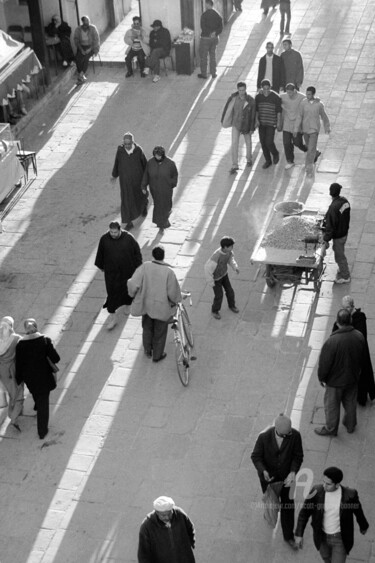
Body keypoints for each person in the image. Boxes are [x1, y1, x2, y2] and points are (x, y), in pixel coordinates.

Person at [251, 414, 304, 551]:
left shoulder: (295, 436)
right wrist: (263, 471)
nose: (289, 434)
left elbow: (298, 456)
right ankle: (269, 515)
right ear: (277, 430)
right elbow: (255, 456)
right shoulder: (263, 437)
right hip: (270, 481)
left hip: (287, 480)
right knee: (271, 503)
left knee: (288, 507)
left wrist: (293, 472)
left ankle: (288, 536)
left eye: (290, 432)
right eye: (286, 434)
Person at [295, 466, 369, 561]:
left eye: (328, 484)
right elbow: (304, 513)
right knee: (326, 558)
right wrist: (299, 534)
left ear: (337, 485)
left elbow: (358, 512)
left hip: (340, 539)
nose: (324, 486)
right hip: (322, 537)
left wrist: (363, 526)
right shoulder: (316, 491)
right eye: (323, 482)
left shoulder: (350, 495)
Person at [315, 309, 365, 437]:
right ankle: (350, 425)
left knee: (332, 406)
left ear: (337, 322)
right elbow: (362, 357)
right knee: (350, 402)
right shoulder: (359, 336)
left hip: (335, 382)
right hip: (352, 378)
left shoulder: (332, 342)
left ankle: (331, 429)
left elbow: (325, 363)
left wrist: (322, 377)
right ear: (351, 320)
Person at [128, 246, 182, 362]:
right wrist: (176, 301)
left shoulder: (145, 267)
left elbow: (132, 283)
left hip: (146, 304)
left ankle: (148, 350)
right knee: (160, 331)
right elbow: (173, 292)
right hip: (161, 307)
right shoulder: (169, 272)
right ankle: (157, 355)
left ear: (153, 255)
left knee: (147, 328)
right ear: (163, 256)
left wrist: (132, 294)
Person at [15, 319, 60, 440]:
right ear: (36, 327)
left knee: (35, 392)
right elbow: (55, 358)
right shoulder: (45, 340)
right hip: (44, 377)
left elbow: (18, 364)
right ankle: (42, 431)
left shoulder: (20, 345)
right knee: (44, 402)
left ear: (25, 330)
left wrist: (18, 379)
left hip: (30, 378)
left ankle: (36, 406)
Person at [95, 221, 142, 330]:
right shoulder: (104, 239)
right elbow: (100, 254)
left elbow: (137, 253)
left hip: (127, 271)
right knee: (112, 293)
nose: (113, 234)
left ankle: (128, 305)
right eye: (111, 232)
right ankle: (113, 317)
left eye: (115, 232)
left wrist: (138, 268)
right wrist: (102, 267)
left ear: (120, 230)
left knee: (127, 290)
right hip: (111, 274)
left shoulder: (129, 238)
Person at [332, 296, 375, 405]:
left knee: (362, 376)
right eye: (343, 307)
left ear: (352, 307)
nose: (345, 310)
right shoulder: (341, 318)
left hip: (359, 353)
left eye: (347, 307)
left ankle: (362, 398)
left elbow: (361, 335)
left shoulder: (360, 317)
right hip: (347, 355)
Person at [138, 496, 196, 562]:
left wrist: (190, 544)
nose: (167, 517)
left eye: (169, 514)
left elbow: (190, 528)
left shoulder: (180, 514)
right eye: (163, 515)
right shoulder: (147, 526)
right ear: (157, 513)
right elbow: (143, 553)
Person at [110, 132, 148, 230]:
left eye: (129, 144)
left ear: (133, 142)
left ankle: (144, 205)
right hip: (125, 182)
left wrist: (147, 178)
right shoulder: (120, 151)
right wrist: (114, 175)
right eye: (125, 144)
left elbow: (145, 164)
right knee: (126, 201)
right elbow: (117, 163)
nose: (127, 146)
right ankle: (128, 222)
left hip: (137, 180)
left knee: (140, 196)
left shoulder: (138, 151)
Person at [294, 86, 330, 177]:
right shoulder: (303, 103)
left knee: (310, 150)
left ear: (313, 94)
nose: (307, 95)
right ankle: (316, 152)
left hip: (314, 130)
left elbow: (324, 116)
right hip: (305, 129)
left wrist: (327, 127)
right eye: (306, 94)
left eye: (309, 94)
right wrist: (296, 129)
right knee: (310, 147)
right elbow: (299, 116)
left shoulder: (319, 104)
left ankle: (308, 168)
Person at [141, 146, 178, 233]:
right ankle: (161, 225)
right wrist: (143, 186)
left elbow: (175, 175)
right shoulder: (150, 163)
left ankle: (165, 217)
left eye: (159, 156)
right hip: (155, 190)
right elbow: (146, 175)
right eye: (156, 155)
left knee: (166, 206)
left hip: (166, 190)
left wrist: (171, 184)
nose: (157, 157)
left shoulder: (170, 163)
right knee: (158, 206)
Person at [221, 82, 256, 173]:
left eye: (243, 90)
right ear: (237, 90)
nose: (241, 92)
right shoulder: (233, 98)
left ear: (245, 89)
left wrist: (252, 128)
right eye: (240, 90)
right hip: (236, 124)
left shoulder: (250, 100)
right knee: (234, 144)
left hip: (246, 124)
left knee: (248, 142)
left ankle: (249, 159)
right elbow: (227, 109)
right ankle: (234, 165)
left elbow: (253, 115)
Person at [205, 236, 240, 320]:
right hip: (215, 279)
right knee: (219, 295)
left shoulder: (229, 252)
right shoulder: (216, 257)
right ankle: (215, 311)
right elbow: (207, 269)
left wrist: (235, 267)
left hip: (224, 275)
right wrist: (211, 282)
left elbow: (231, 260)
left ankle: (232, 305)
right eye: (231, 246)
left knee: (230, 291)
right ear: (225, 247)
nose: (232, 248)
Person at [322, 183, 351, 284]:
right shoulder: (344, 201)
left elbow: (330, 226)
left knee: (339, 256)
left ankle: (345, 275)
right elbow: (339, 215)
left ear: (330, 193)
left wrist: (326, 239)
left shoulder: (333, 207)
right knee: (339, 250)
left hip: (338, 235)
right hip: (344, 232)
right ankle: (342, 268)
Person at [0, 316, 23, 431]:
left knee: (11, 392)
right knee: (18, 395)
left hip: (2, 371)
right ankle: (13, 417)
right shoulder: (16, 338)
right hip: (14, 369)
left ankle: (12, 412)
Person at [255, 79, 282, 169]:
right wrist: (256, 120)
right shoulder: (258, 97)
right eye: (264, 89)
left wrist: (278, 123)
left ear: (270, 87)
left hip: (271, 123)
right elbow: (256, 110)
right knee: (263, 143)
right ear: (261, 88)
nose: (266, 91)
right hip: (262, 123)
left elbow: (279, 111)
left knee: (269, 142)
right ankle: (268, 161)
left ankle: (275, 153)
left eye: (268, 88)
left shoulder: (276, 97)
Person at [280, 83, 307, 169]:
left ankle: (308, 150)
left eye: (291, 93)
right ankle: (290, 161)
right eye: (287, 92)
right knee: (286, 143)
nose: (289, 95)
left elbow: (310, 101)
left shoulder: (302, 97)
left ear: (295, 90)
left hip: (297, 123)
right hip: (287, 123)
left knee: (297, 142)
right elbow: (274, 97)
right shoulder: (283, 96)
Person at [198, 0, 223, 79]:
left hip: (205, 38)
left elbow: (203, 27)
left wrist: (209, 33)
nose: (205, 5)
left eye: (206, 4)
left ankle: (204, 73)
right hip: (215, 38)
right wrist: (215, 33)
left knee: (204, 56)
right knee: (213, 56)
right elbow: (221, 28)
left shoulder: (204, 15)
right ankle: (213, 73)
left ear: (208, 4)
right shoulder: (217, 15)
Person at [73, 15, 100, 83]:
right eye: (86, 21)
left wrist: (90, 49)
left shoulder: (93, 28)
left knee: (86, 57)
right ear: (83, 22)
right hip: (82, 47)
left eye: (88, 20)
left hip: (92, 47)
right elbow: (76, 40)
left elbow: (96, 40)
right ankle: (81, 75)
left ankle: (81, 74)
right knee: (78, 58)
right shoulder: (78, 29)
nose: (88, 22)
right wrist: (81, 49)